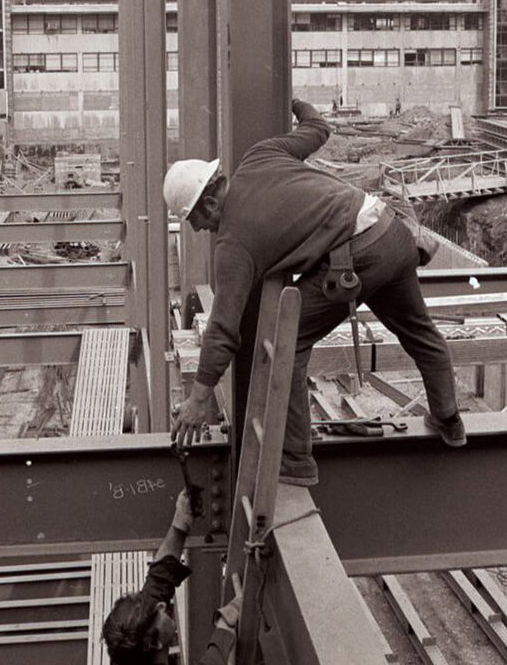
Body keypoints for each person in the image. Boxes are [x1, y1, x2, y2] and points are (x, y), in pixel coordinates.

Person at [163, 99, 466, 487]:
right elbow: (319, 128)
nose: (197, 229)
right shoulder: (261, 156)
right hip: (392, 233)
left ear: (208, 201)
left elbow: (224, 330)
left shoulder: (233, 246)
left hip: (356, 260)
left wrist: (198, 399)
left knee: (285, 342)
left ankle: (295, 460)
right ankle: (448, 420)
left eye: (194, 219)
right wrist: (295, 104)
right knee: (419, 332)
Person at [102, 490, 239, 665]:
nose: (161, 605)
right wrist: (225, 628)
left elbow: (159, 579)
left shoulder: (133, 649)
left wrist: (181, 521)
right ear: (156, 642)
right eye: (158, 611)